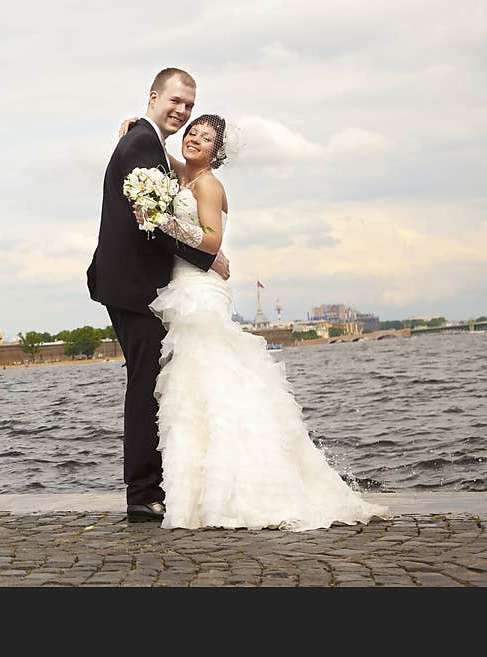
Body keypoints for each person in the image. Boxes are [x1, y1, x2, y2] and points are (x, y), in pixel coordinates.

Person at [119, 112, 390, 530]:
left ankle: (238, 487)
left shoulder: (208, 184)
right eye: (193, 132)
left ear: (217, 152)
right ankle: (199, 489)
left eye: (206, 139)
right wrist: (140, 124)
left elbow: (211, 241)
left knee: (209, 378)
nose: (194, 140)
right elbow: (157, 150)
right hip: (179, 286)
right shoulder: (184, 174)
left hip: (199, 289)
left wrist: (161, 220)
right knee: (190, 388)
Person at [87, 68, 230, 523]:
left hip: (135, 286)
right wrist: (208, 259)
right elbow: (148, 219)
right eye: (176, 101)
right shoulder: (142, 143)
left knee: (156, 384)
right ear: (154, 96)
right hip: (133, 288)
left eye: (189, 105)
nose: (182, 111)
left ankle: (163, 483)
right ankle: (144, 494)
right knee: (146, 388)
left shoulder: (146, 142)